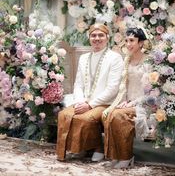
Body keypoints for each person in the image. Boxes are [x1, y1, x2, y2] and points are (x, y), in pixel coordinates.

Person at [56, 23, 124, 162]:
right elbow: (78, 84)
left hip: (105, 103)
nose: (97, 38)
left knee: (85, 118)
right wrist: (80, 101)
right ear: (89, 38)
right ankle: (78, 148)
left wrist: (90, 104)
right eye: (93, 35)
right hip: (84, 101)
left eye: (100, 35)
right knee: (64, 115)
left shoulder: (115, 58)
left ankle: (97, 147)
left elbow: (113, 89)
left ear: (107, 38)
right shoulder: (84, 58)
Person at [102, 27, 150, 169]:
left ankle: (126, 156)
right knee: (110, 113)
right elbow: (123, 86)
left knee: (118, 116)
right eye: (127, 40)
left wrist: (133, 102)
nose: (128, 44)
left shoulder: (148, 61)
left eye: (132, 41)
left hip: (144, 103)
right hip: (127, 102)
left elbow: (150, 91)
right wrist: (123, 101)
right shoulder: (126, 60)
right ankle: (115, 156)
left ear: (141, 43)